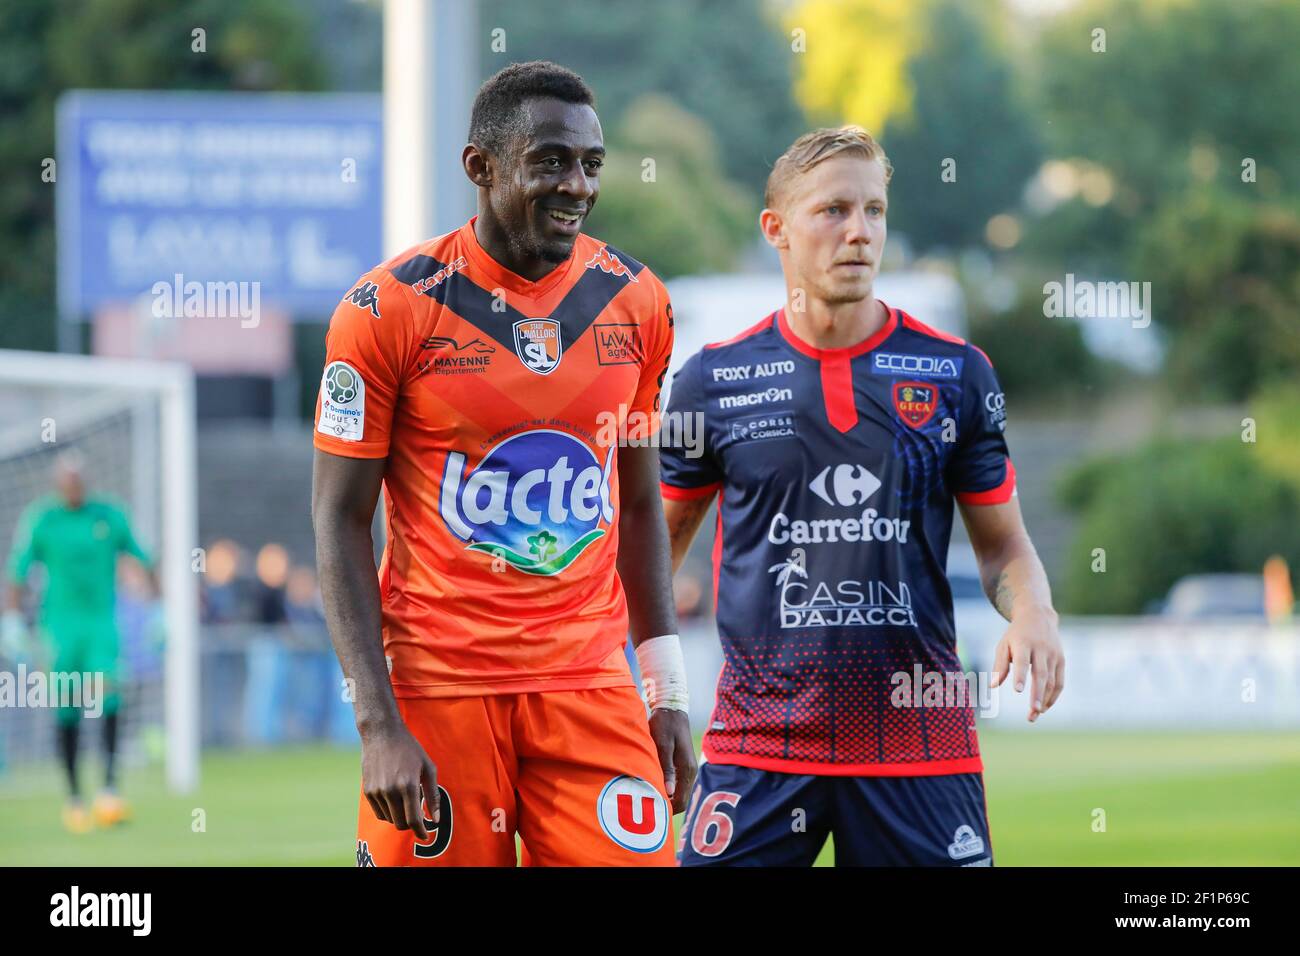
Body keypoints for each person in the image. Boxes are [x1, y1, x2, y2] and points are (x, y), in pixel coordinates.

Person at [312, 61, 694, 867]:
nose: (578, 186)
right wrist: (379, 726)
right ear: (480, 168)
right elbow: (339, 518)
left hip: (589, 684)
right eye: (550, 160)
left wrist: (667, 693)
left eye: (592, 164)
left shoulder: (640, 301)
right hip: (438, 689)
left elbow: (636, 506)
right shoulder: (385, 310)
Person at [659, 126, 1064, 866]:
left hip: (920, 739)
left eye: (874, 211)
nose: (860, 232)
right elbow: (658, 549)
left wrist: (1035, 610)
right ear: (775, 230)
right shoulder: (710, 382)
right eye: (834, 210)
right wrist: (648, 691)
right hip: (761, 743)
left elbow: (1003, 545)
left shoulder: (955, 374)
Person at [4, 451, 155, 832]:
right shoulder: (42, 519)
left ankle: (109, 790)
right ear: (57, 483)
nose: (72, 487)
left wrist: (160, 609)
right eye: (66, 481)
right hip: (59, 629)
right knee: (68, 708)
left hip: (101, 626)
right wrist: (11, 619)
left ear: (85, 481)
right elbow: (18, 572)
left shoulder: (108, 515)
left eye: (78, 480)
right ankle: (73, 797)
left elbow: (144, 559)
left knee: (109, 699)